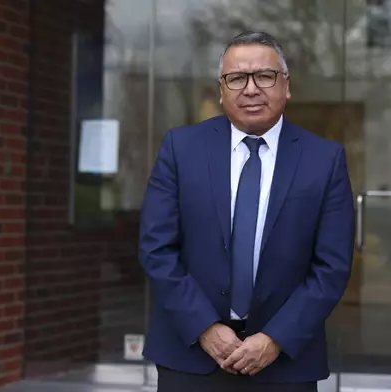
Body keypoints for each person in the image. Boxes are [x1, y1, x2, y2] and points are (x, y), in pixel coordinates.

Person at [138, 31, 355, 392]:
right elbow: (156, 249)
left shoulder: (324, 160)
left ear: (286, 86)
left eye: (264, 76)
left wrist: (275, 339)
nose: (251, 89)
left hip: (285, 362)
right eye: (236, 78)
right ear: (221, 91)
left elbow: (331, 267)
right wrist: (204, 328)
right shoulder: (181, 148)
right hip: (191, 355)